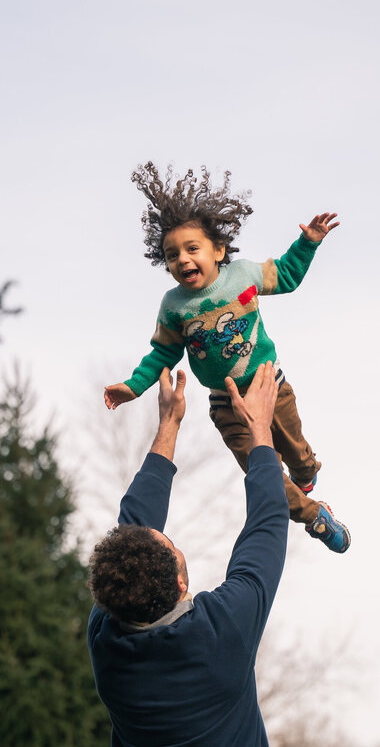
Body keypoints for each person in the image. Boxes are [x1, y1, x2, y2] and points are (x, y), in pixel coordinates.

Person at [103, 162, 350, 553]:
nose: (182, 259)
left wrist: (308, 243)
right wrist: (134, 386)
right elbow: (163, 352)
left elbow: (285, 275)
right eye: (171, 255)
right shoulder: (173, 307)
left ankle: (306, 475)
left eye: (192, 248)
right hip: (227, 404)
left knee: (298, 455)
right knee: (262, 474)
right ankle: (313, 515)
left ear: (218, 250)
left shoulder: (243, 276)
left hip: (270, 388)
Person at [87, 362, 289, 746]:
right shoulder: (219, 633)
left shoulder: (109, 644)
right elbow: (266, 528)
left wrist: (170, 422)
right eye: (172, 545)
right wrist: (260, 425)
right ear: (181, 583)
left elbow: (134, 527)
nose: (166, 535)